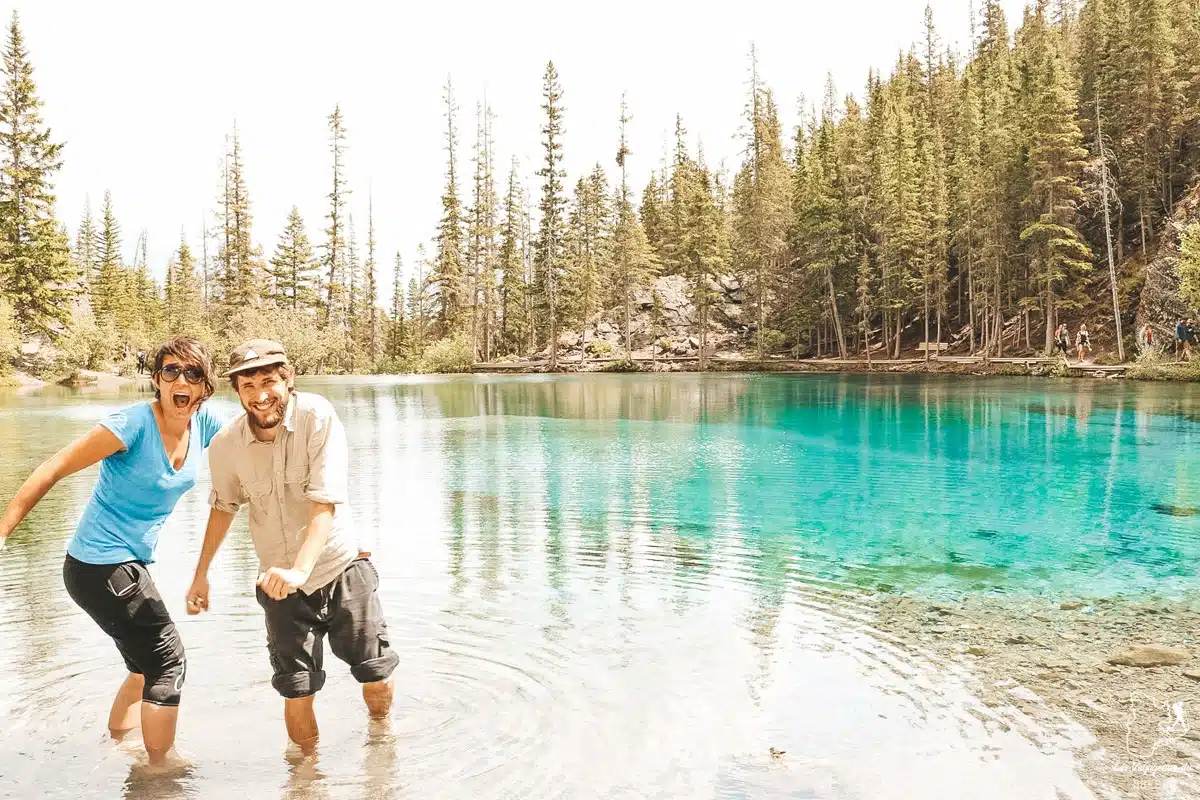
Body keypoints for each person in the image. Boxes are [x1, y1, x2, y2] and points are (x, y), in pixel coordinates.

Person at [0, 338, 221, 768]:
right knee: (167, 659)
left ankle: (120, 742)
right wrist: (2, 532)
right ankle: (160, 770)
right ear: (156, 380)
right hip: (99, 564)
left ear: (204, 386)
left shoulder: (205, 422)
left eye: (192, 373)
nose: (181, 380)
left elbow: (257, 441)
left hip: (121, 565)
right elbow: (53, 468)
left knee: (142, 665)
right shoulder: (133, 424)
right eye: (171, 371)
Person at [186, 340, 398, 752]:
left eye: (269, 381)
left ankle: (381, 742)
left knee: (373, 671)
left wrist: (301, 570)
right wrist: (200, 576)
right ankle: (304, 777)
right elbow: (223, 508)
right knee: (295, 687)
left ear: (289, 379)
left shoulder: (317, 416)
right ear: (238, 391)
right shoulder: (226, 445)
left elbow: (324, 502)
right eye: (248, 386)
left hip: (341, 568)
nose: (260, 395)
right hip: (279, 585)